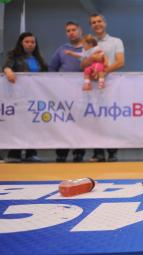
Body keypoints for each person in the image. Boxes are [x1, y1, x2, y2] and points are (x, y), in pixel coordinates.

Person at [81, 13, 125, 162]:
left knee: (112, 117)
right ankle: (98, 152)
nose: (97, 24)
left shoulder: (116, 41)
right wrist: (90, 60)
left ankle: (112, 152)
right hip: (93, 86)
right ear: (91, 25)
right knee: (95, 118)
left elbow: (120, 62)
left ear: (104, 23)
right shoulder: (87, 43)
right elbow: (82, 64)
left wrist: (104, 71)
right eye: (93, 22)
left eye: (99, 21)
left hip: (111, 84)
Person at [2, 32, 48, 163]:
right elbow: (6, 67)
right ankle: (14, 153)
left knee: (33, 126)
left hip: (35, 98)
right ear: (21, 43)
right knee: (18, 125)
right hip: (18, 98)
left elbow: (46, 74)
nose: (30, 44)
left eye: (32, 42)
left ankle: (31, 153)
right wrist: (8, 71)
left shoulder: (38, 58)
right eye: (27, 42)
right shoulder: (13, 56)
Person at [49, 21, 86, 162]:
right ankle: (61, 153)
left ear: (80, 30)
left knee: (82, 123)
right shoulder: (61, 49)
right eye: (68, 30)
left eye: (73, 29)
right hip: (64, 95)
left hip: (84, 93)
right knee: (63, 123)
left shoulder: (88, 48)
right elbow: (52, 68)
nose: (71, 32)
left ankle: (79, 152)